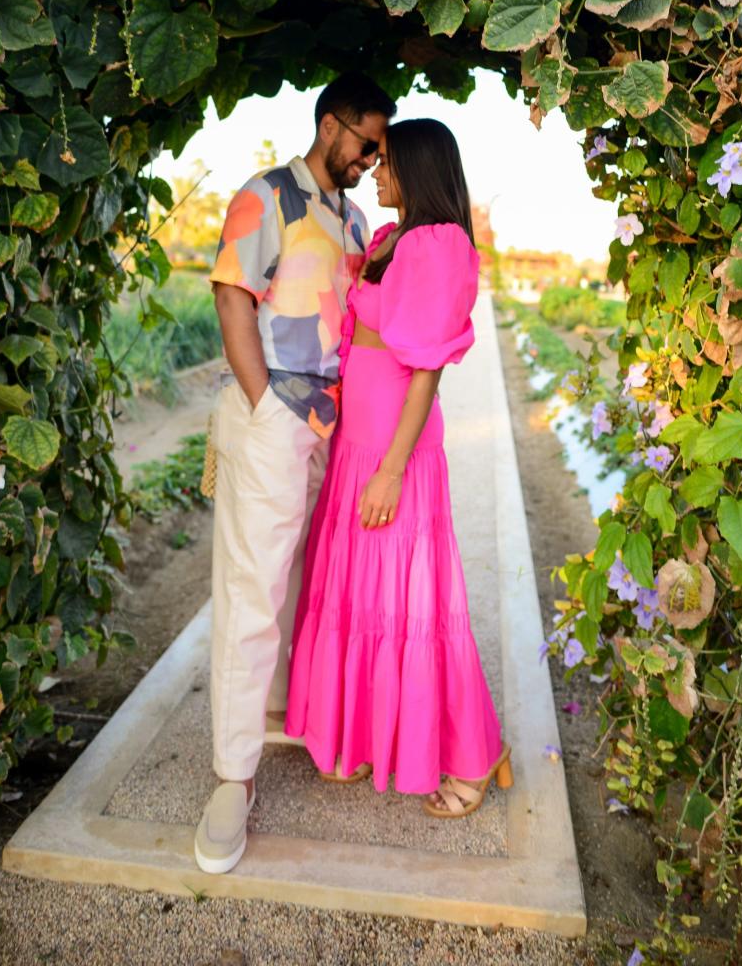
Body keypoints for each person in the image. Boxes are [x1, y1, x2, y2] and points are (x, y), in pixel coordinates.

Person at [194, 72, 396, 874]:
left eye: (378, 149)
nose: (371, 158)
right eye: (368, 143)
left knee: (310, 583)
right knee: (251, 592)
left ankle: (285, 716)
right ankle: (231, 780)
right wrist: (261, 405)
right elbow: (233, 297)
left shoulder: (351, 221)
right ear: (331, 124)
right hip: (275, 415)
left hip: (334, 428)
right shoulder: (266, 193)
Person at [285, 119, 511, 817]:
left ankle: (475, 754)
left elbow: (425, 373)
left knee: (413, 604)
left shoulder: (438, 245)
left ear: (416, 169)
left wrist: (391, 469)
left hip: (395, 451)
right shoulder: (392, 240)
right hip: (361, 443)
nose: (375, 174)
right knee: (361, 596)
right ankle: (357, 732)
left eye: (385, 164)